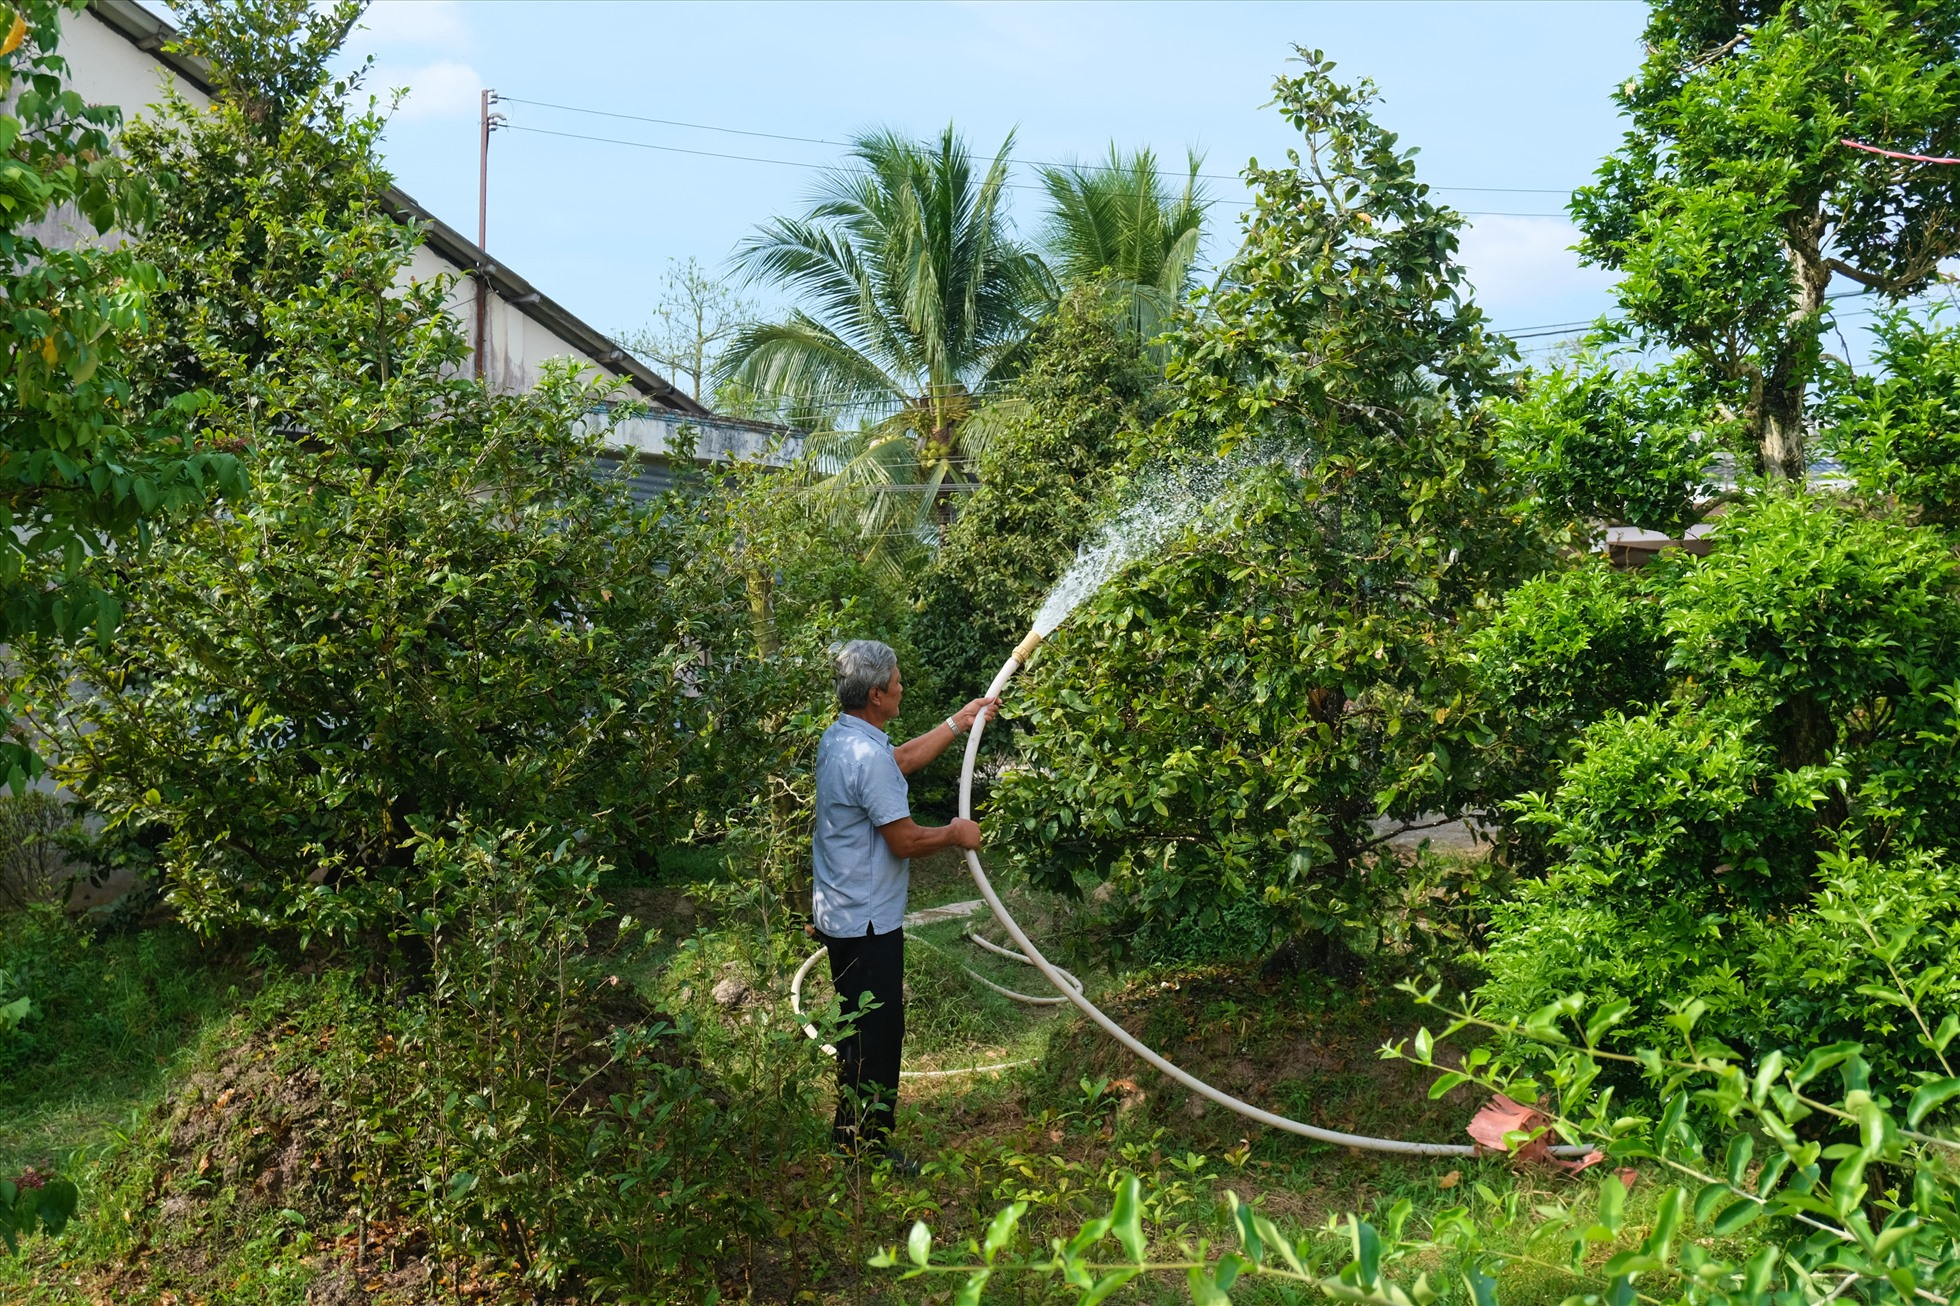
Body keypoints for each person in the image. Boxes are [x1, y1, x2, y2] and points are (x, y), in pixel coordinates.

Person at [812, 639, 997, 1166]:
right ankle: (867, 1151)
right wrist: (956, 833)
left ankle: (848, 1139)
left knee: (856, 1029)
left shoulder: (843, 738)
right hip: (867, 924)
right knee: (878, 1035)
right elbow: (906, 840)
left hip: (841, 915)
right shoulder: (865, 755)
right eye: (896, 681)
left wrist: (958, 723)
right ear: (875, 694)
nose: (901, 687)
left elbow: (895, 762)